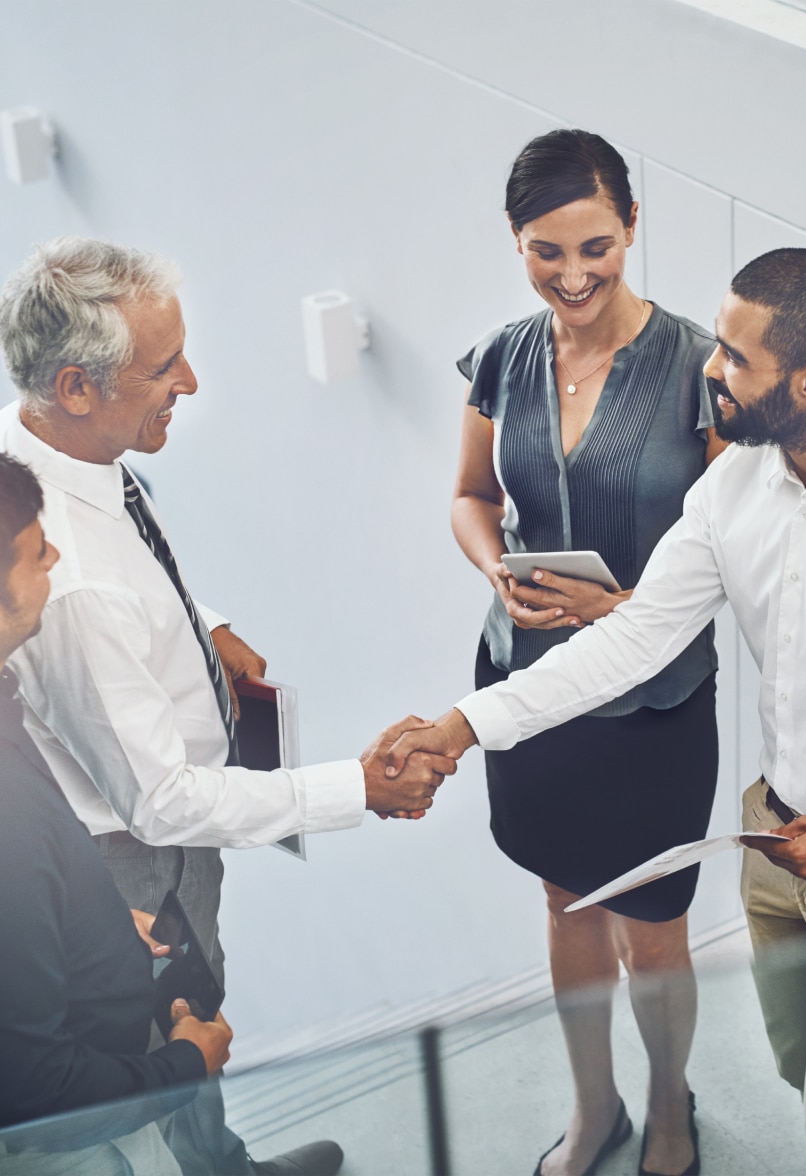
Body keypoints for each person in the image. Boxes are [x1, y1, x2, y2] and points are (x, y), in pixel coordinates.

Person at [389, 248, 806, 1176]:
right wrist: (464, 727)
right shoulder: (734, 487)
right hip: (772, 843)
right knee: (802, 1072)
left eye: (738, 358)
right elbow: (633, 640)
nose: (711, 368)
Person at [0, 237, 457, 1176]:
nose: (192, 382)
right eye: (163, 367)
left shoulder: (50, 458)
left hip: (142, 846)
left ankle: (223, 1168)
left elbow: (125, 578)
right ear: (78, 386)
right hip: (137, 868)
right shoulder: (73, 584)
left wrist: (198, 624)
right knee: (171, 1044)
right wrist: (358, 789)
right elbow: (163, 801)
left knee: (185, 1038)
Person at [449, 129, 725, 1176]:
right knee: (566, 903)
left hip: (652, 700)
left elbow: (732, 555)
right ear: (516, 242)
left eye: (596, 248)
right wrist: (496, 572)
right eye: (544, 251)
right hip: (529, 681)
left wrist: (622, 615)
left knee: (651, 928)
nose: (572, 277)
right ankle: (593, 1104)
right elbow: (473, 497)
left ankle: (667, 1110)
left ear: (634, 228)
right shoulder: (503, 357)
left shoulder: (703, 367)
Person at [0, 451, 232, 1175]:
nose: (57, 558)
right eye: (38, 553)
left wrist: (92, 914)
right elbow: (40, 1091)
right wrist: (188, 1063)